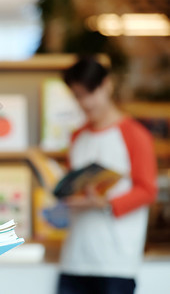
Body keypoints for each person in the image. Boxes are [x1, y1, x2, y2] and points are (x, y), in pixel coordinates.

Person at [57, 58, 157, 294]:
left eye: (91, 92)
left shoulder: (134, 135)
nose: (86, 102)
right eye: (78, 95)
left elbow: (147, 190)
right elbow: (71, 190)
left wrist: (105, 202)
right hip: (75, 258)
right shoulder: (77, 137)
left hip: (116, 261)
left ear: (107, 85)